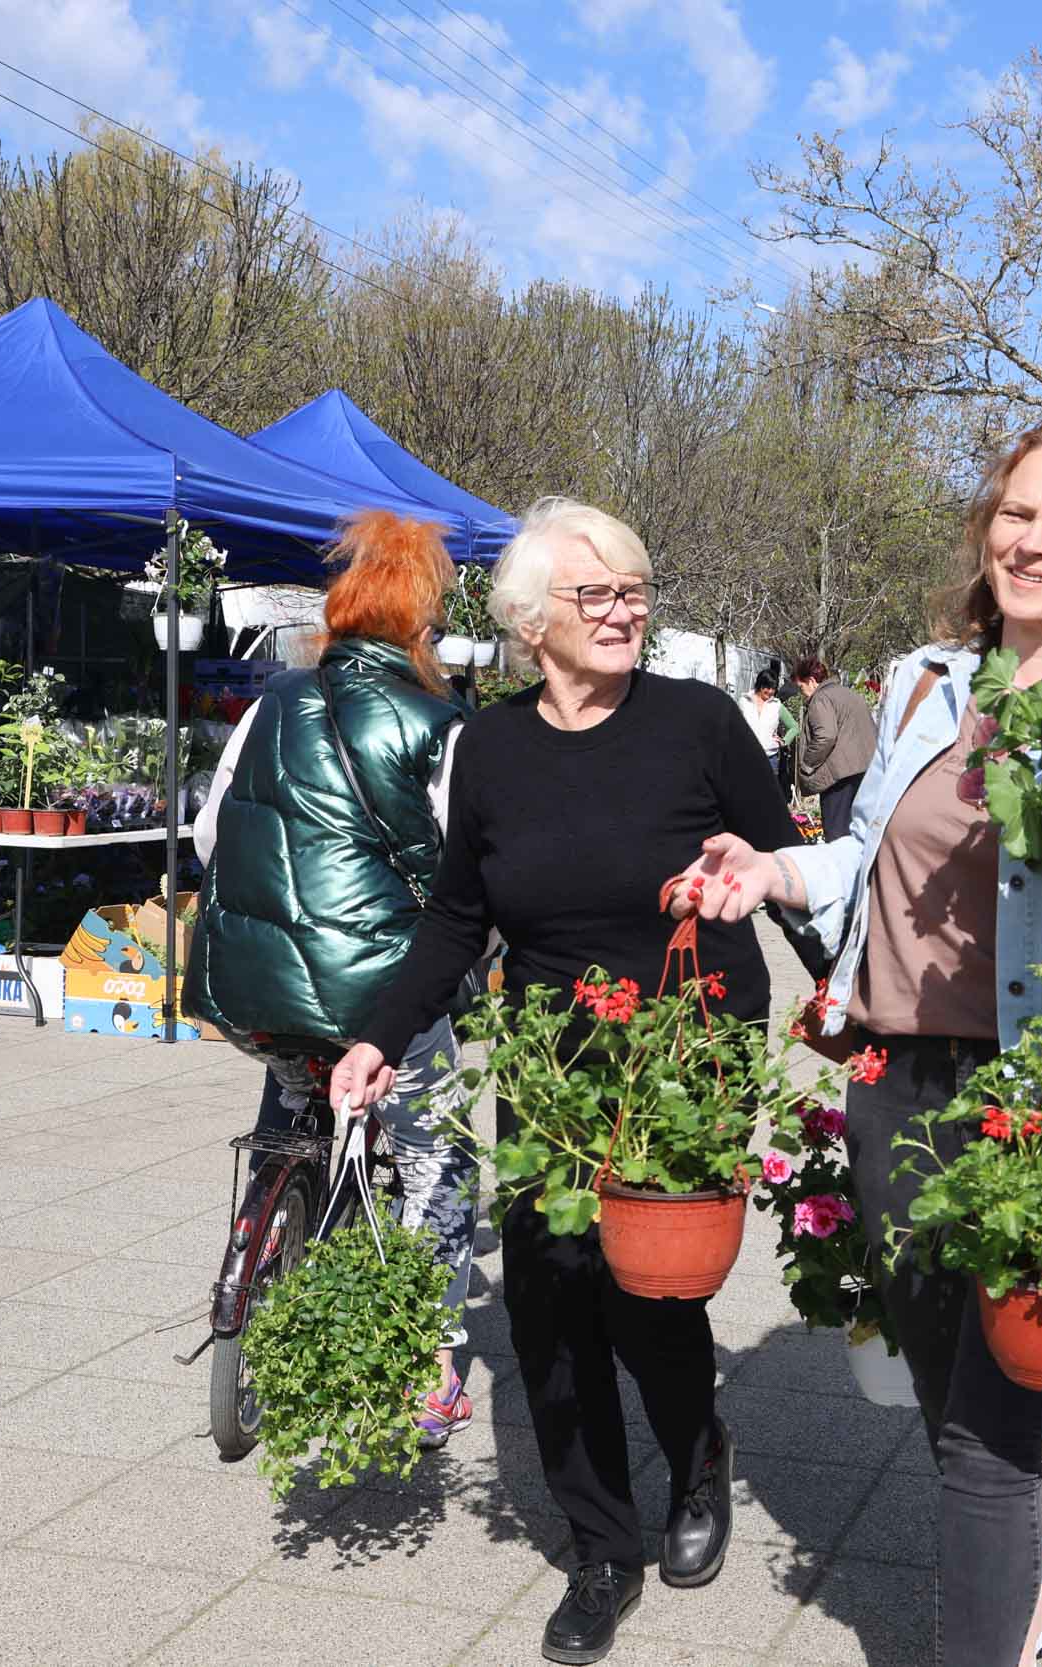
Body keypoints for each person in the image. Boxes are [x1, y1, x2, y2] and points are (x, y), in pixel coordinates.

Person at [658, 407, 1042, 1667]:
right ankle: (1031, 1580)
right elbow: (869, 856)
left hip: (1037, 1094)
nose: (1027, 541)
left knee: (989, 1438)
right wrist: (770, 869)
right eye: (1014, 513)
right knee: (937, 1381)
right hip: (891, 1075)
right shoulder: (930, 680)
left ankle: (986, 1622)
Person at [330, 498, 801, 1666]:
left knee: (650, 1293)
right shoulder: (488, 743)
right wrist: (380, 1034)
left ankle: (698, 1457)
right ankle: (601, 1548)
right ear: (535, 621)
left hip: (689, 1046)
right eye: (598, 594)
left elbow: (784, 868)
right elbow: (456, 916)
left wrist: (851, 994)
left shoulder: (698, 723)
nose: (626, 609)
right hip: (552, 1059)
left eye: (637, 589)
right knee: (546, 1296)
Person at [185, 510, 482, 1449]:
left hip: (246, 981)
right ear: (419, 629)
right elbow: (466, 873)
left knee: (288, 1092)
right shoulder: (441, 724)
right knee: (435, 1156)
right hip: (376, 996)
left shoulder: (273, 704)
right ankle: (430, 1365)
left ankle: (262, 1229)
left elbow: (205, 834)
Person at [793, 654, 874, 840]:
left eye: (801, 687)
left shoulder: (821, 699)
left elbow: (825, 736)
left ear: (812, 681)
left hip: (839, 776)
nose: (802, 693)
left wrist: (807, 764)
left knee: (836, 832)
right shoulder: (849, 694)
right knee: (858, 830)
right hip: (865, 770)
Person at [740, 667, 791, 799]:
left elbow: (794, 727)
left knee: (767, 797)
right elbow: (734, 725)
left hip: (770, 758)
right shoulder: (744, 701)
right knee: (747, 794)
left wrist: (784, 741)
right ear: (759, 685)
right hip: (747, 757)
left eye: (773, 688)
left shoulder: (776, 704)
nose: (770, 692)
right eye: (767, 688)